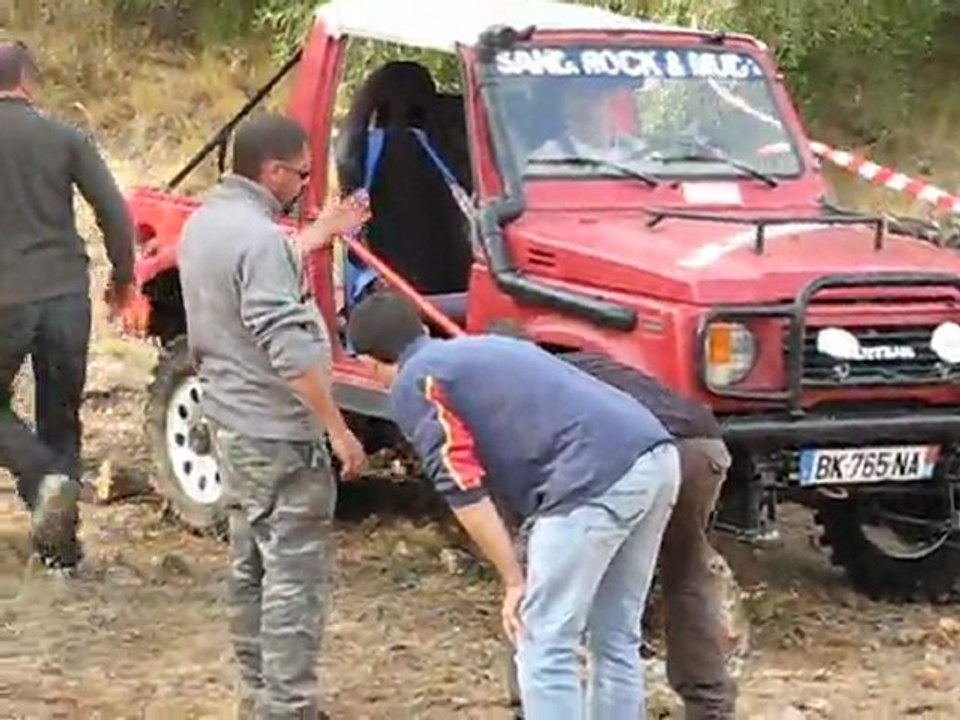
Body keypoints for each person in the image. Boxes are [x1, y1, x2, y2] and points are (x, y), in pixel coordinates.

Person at [346, 290, 681, 720]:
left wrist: (513, 579)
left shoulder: (418, 381)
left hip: (589, 479)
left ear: (369, 362)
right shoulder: (480, 350)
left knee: (543, 642)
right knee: (614, 637)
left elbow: (461, 486)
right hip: (655, 454)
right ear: (422, 328)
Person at [177, 113, 370, 719]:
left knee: (250, 564)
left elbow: (254, 270)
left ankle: (259, 694)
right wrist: (337, 429)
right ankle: (288, 707)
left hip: (230, 423)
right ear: (273, 171)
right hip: (279, 433)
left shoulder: (205, 223)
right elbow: (288, 350)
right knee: (293, 577)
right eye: (303, 176)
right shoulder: (260, 240)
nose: (306, 187)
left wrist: (317, 235)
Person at [0, 40, 135, 569]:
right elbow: (114, 211)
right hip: (65, 296)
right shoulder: (65, 137)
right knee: (61, 418)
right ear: (28, 82)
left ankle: (41, 477)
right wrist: (122, 277)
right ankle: (61, 553)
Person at [544, 350, 738, 720]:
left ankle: (529, 704)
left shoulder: (530, 390)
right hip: (702, 446)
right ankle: (711, 705)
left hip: (640, 452)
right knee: (686, 573)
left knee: (546, 583)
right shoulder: (588, 363)